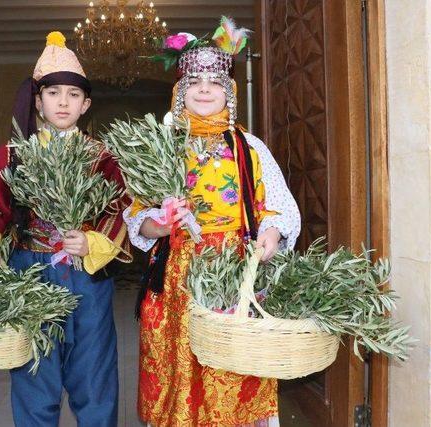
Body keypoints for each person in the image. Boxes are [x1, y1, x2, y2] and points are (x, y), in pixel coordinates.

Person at [123, 21, 301, 426]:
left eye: (215, 82)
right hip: (178, 276)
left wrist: (270, 234)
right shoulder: (162, 145)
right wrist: (160, 224)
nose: (204, 89)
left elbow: (276, 206)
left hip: (234, 269)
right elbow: (137, 219)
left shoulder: (249, 147)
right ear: (180, 92)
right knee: (180, 362)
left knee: (233, 368)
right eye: (195, 82)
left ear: (230, 92)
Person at [0, 32, 131, 427]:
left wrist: (91, 241)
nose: (62, 102)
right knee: (34, 372)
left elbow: (122, 209)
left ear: (86, 104)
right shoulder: (12, 155)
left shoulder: (102, 157)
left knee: (94, 374)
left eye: (73, 95)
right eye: (53, 93)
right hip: (30, 272)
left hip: (87, 277)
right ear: (37, 100)